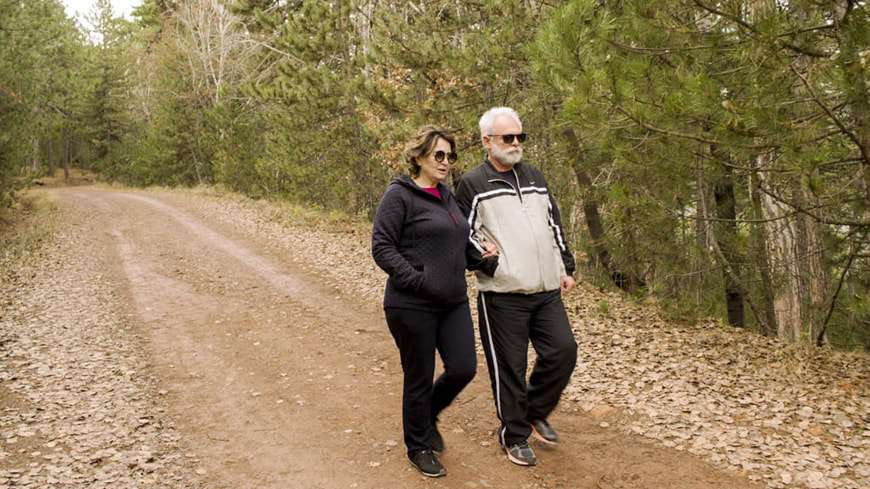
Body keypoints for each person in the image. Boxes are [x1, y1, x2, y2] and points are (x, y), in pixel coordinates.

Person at [455, 107, 578, 467]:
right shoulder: (473, 184)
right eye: (507, 137)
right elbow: (460, 232)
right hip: (502, 293)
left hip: (544, 289)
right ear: (487, 141)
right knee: (510, 366)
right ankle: (515, 434)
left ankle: (535, 410)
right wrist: (487, 261)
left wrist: (564, 266)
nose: (515, 143)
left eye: (519, 137)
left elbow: (553, 223)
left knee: (563, 351)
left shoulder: (535, 176)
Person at [371, 126, 478, 478]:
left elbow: (458, 243)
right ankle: (418, 445)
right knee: (419, 376)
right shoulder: (399, 196)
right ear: (419, 157)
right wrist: (417, 280)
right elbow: (382, 247)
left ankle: (427, 413)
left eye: (451, 156)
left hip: (452, 301)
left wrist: (483, 260)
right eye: (439, 155)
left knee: (464, 367)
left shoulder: (446, 196)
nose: (447, 162)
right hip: (410, 304)